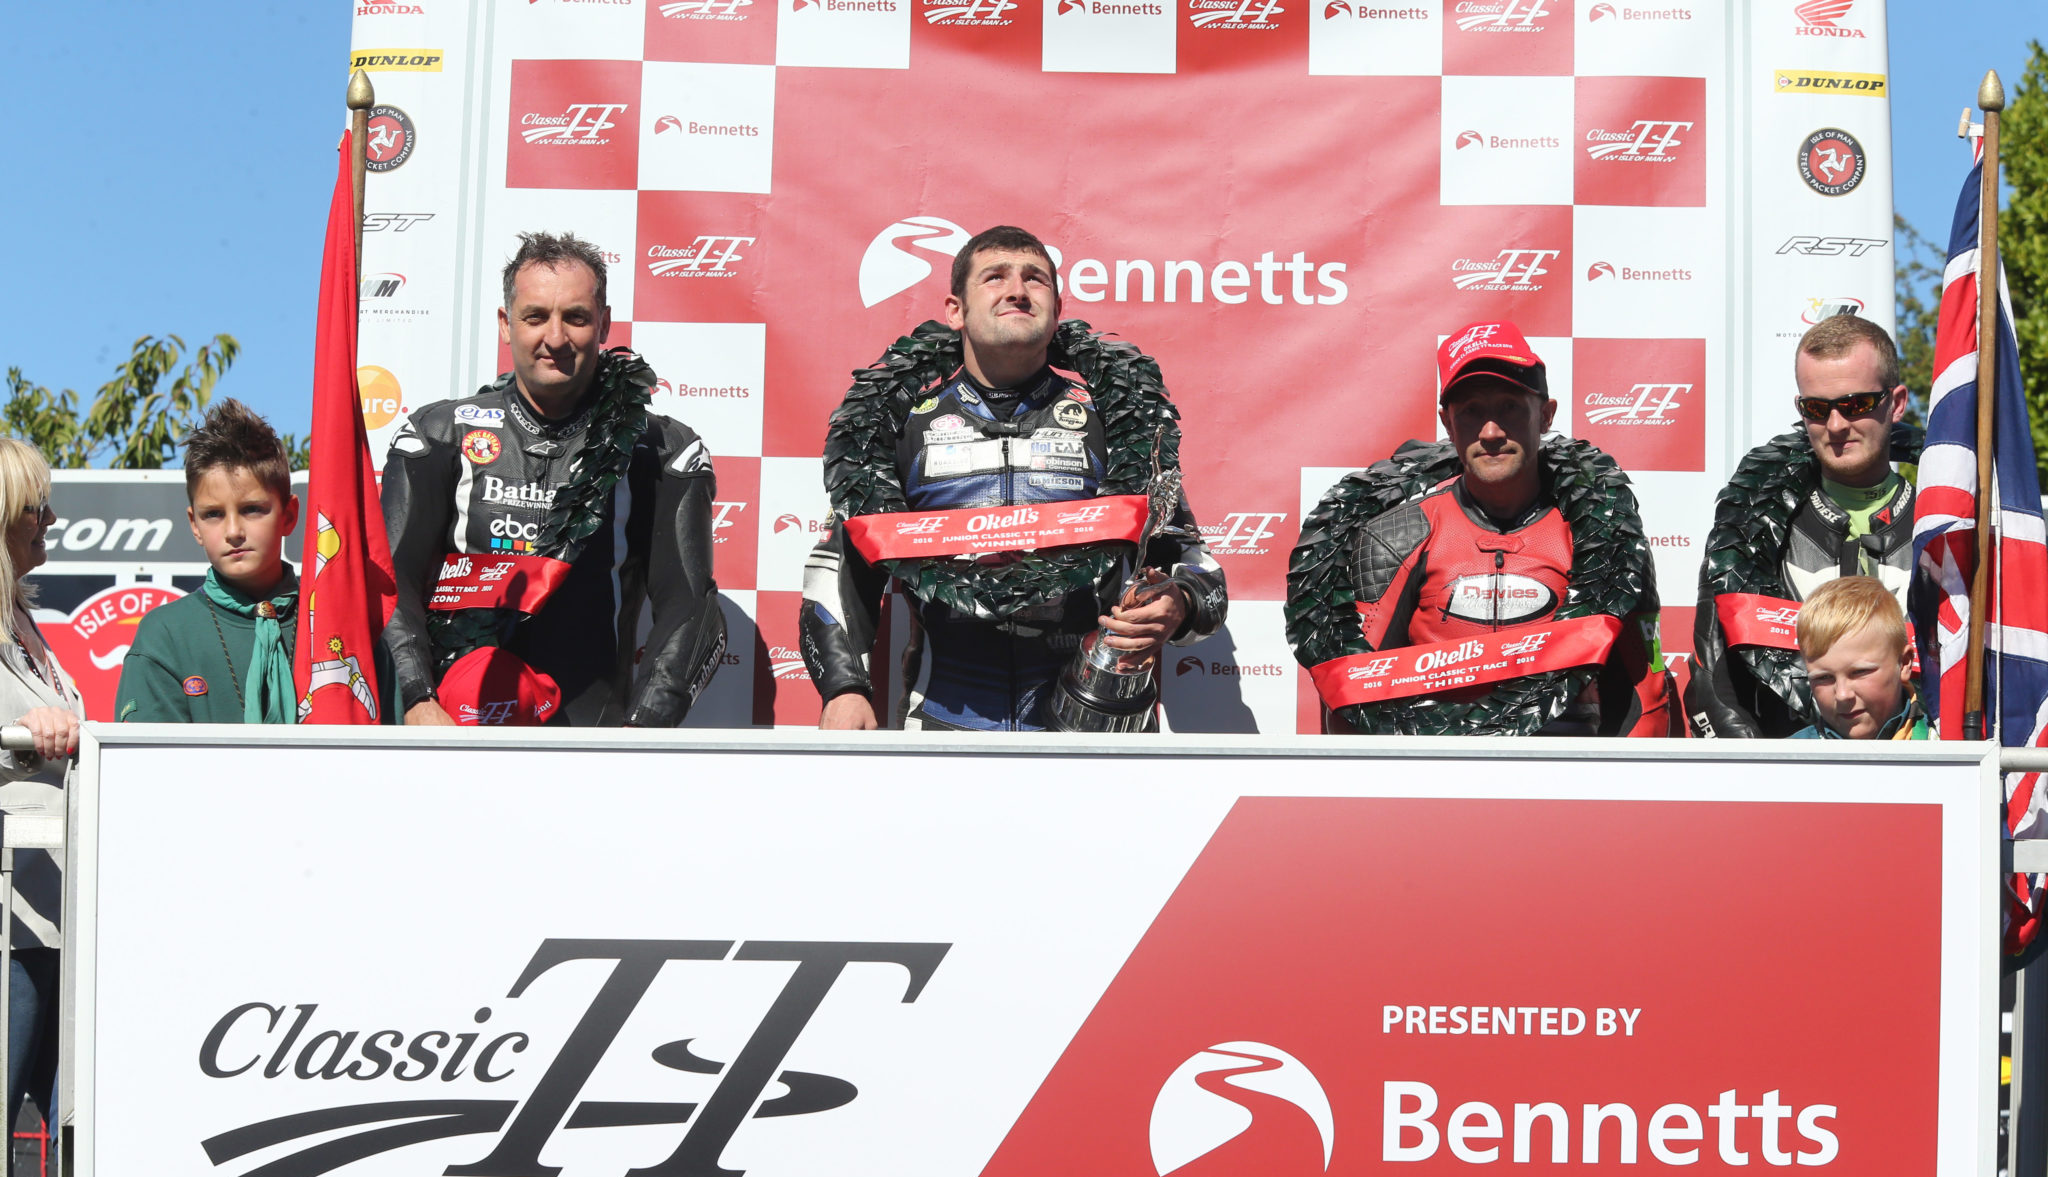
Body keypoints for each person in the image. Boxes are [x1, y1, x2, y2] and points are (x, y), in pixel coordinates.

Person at [801, 224, 1226, 730]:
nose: (1017, 291)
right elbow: (838, 569)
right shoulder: (903, 427)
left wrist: (1179, 604)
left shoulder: (1115, 422)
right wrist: (844, 690)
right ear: (955, 310)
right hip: (944, 715)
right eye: (994, 277)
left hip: (1095, 718)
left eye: (1035, 279)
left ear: (1058, 310)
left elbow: (1197, 568)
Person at [381, 231, 725, 726]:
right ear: (506, 324)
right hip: (454, 733)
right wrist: (416, 697)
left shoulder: (660, 448)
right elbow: (391, 582)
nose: (555, 338)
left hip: (598, 746)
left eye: (577, 317)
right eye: (535, 316)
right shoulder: (439, 434)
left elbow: (691, 608)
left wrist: (643, 732)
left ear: (604, 324)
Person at [1287, 320, 1670, 736]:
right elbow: (1352, 693)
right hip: (1434, 778)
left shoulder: (1601, 532)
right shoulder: (1398, 533)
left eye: (1509, 407)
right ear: (1447, 424)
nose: (1490, 432)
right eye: (1471, 412)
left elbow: (1644, 693)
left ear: (1545, 415)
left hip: (1565, 776)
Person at [1688, 315, 1919, 737]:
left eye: (1856, 405)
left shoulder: (1947, 526)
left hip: (1936, 776)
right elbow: (1713, 685)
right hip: (1790, 784)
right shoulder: (1752, 530)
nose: (1835, 425)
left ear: (1897, 403)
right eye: (1816, 408)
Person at [0, 439, 77, 1177]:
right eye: (35, 508)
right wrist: (23, 723)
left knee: (76, 1134)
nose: (50, 521)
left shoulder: (30, 625)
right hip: (11, 922)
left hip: (60, 921)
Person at [115, 401, 310, 723]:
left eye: (252, 509)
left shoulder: (336, 625)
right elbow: (145, 765)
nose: (234, 531)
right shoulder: (166, 635)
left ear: (289, 515)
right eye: (214, 514)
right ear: (195, 525)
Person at [1789, 576, 1926, 740]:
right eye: (1824, 677)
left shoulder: (1949, 752)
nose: (1842, 694)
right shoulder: (1788, 761)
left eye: (1859, 672)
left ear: (1903, 663)